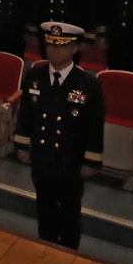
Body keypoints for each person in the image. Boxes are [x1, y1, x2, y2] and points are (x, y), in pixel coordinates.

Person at [17, 22, 104, 249]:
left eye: (62, 46)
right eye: (51, 45)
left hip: (70, 161)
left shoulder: (88, 84)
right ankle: (45, 249)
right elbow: (26, 113)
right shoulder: (35, 75)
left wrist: (92, 160)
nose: (55, 51)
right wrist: (22, 144)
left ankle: (68, 255)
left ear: (74, 49)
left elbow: (94, 126)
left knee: (69, 213)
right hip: (42, 157)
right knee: (44, 209)